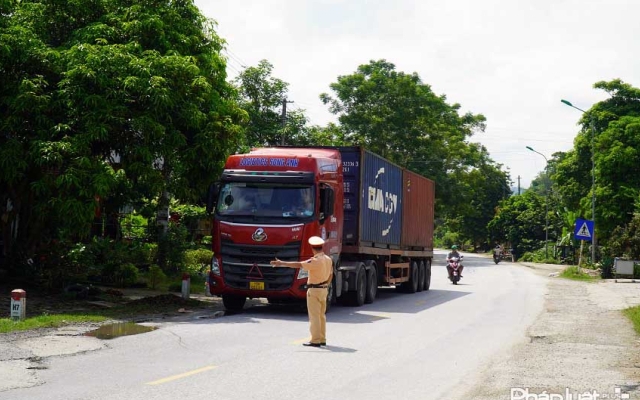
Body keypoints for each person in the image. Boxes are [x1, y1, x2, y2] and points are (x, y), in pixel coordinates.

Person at [271, 236, 333, 347]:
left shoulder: (314, 260)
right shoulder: (328, 259)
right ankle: (322, 338)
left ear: (312, 248)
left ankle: (315, 340)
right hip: (324, 289)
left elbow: (299, 264)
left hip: (314, 290)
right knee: (321, 316)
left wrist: (281, 263)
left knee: (314, 316)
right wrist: (326, 284)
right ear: (321, 247)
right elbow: (331, 274)